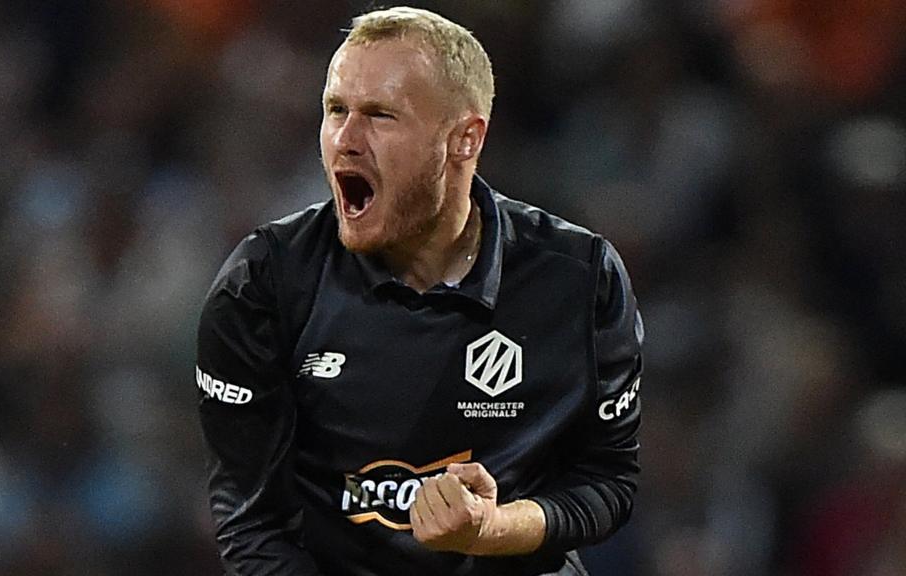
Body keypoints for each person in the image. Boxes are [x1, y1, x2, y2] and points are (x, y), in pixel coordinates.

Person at [195, 6, 643, 575]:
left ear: (463, 140)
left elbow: (608, 482)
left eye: (380, 115)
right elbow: (253, 527)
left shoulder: (578, 279)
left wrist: (495, 530)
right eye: (336, 110)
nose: (346, 141)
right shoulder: (263, 285)